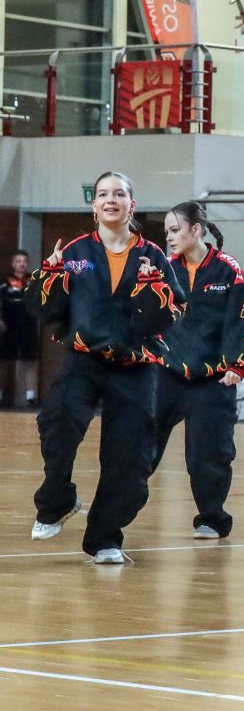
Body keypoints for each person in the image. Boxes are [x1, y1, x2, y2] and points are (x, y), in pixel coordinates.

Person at [26, 171, 185, 564]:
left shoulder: (154, 255)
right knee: (56, 425)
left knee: (129, 454)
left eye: (118, 194)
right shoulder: (75, 251)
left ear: (132, 205)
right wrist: (49, 278)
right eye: (102, 194)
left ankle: (105, 538)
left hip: (135, 367)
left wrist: (153, 289)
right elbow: (46, 311)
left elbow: (172, 313)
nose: (110, 200)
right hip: (83, 361)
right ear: (94, 206)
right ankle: (58, 500)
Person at [151, 201, 244, 539]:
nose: (169, 238)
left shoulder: (229, 270)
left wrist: (238, 364)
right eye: (167, 232)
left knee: (208, 454)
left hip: (213, 379)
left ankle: (212, 519)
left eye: (175, 230)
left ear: (196, 229)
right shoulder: (163, 269)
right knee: (138, 442)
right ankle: (115, 511)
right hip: (165, 373)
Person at [1, 249, 41, 407]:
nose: (21, 264)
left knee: (30, 361)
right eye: (18, 261)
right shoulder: (4, 281)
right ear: (13, 264)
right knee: (4, 361)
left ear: (28, 263)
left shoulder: (34, 280)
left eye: (24, 261)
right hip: (8, 326)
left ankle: (31, 398)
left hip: (28, 326)